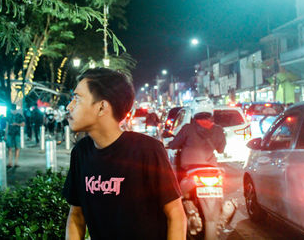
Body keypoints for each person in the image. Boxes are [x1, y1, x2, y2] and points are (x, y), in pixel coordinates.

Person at [63, 68, 186, 240]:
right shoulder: (81, 152)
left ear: (101, 107)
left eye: (77, 99)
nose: (69, 106)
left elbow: (175, 214)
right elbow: (76, 216)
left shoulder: (148, 150)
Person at [167, 98, 226, 183]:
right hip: (211, 166)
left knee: (180, 184)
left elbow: (174, 144)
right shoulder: (218, 130)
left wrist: (170, 144)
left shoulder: (187, 128)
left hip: (189, 166)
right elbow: (221, 150)